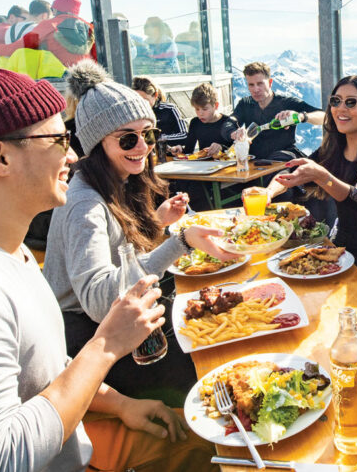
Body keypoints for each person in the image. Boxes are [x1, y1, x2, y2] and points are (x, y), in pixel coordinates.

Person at [0, 69, 215, 472]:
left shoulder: (8, 256)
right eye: (59, 140)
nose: (72, 156)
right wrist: (105, 347)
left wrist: (120, 404)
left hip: (77, 444)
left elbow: (44, 370)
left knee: (207, 437)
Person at [44, 60, 238, 402]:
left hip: (126, 322)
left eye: (148, 134)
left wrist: (159, 222)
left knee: (221, 327)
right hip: (91, 342)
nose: (143, 147)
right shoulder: (84, 204)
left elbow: (124, 254)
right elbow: (100, 301)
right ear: (97, 143)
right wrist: (179, 241)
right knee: (211, 368)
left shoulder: (120, 180)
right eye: (128, 138)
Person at [267, 75, 357, 296]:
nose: (340, 108)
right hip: (340, 247)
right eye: (336, 101)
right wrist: (267, 193)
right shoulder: (331, 149)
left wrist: (323, 177)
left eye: (351, 102)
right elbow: (293, 170)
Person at [230, 61, 325, 161]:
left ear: (270, 83)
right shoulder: (245, 104)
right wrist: (233, 132)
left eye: (260, 84)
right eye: (251, 85)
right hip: (255, 163)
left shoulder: (287, 103)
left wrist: (301, 116)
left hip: (284, 160)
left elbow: (324, 117)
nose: (256, 89)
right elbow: (230, 122)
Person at [0, 0, 95, 67]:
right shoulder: (90, 27)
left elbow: (23, 45)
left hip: (63, 78)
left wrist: (0, 50)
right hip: (89, 75)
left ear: (55, 10)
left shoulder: (50, 25)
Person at [175, 83, 237, 156]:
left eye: (205, 109)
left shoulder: (229, 122)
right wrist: (179, 150)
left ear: (216, 106)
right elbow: (188, 151)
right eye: (197, 109)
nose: (200, 113)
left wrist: (222, 148)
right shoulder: (195, 123)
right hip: (203, 165)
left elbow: (239, 150)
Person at [131, 76, 188, 148]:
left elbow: (184, 135)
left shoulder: (169, 109)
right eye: (137, 100)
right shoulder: (132, 112)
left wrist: (158, 138)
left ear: (155, 95)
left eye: (145, 100)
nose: (141, 104)